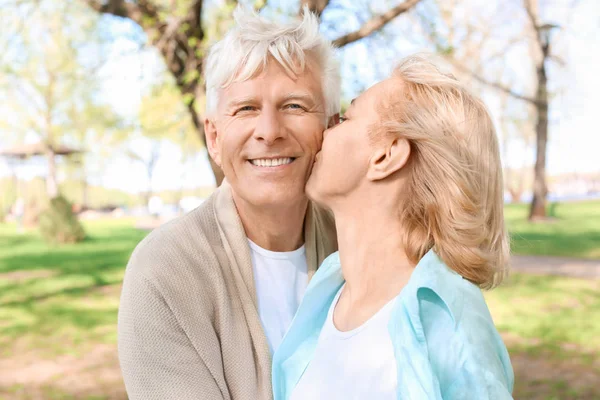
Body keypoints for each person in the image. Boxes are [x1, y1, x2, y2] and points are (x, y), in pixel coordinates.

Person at [118, 8, 339, 400]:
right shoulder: (164, 270)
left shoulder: (359, 245)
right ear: (214, 138)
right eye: (246, 109)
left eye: (294, 106)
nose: (269, 132)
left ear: (332, 128)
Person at [272, 56, 514, 400]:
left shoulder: (450, 320)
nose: (324, 132)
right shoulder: (324, 297)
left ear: (386, 157)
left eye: (345, 118)